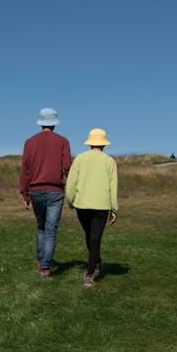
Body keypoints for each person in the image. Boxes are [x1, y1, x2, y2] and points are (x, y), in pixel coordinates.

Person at [19, 107, 72, 279]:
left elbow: (25, 171)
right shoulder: (63, 141)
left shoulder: (29, 142)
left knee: (41, 228)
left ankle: (41, 261)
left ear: (41, 123)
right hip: (55, 191)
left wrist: (25, 194)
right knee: (50, 231)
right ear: (55, 123)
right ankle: (45, 267)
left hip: (35, 191)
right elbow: (68, 168)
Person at [65, 128, 119, 287]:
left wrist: (70, 201)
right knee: (93, 238)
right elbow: (113, 187)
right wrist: (114, 209)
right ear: (104, 144)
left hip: (82, 205)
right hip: (101, 206)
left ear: (90, 143)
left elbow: (71, 183)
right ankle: (96, 262)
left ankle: (89, 273)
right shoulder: (110, 162)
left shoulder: (80, 158)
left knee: (92, 237)